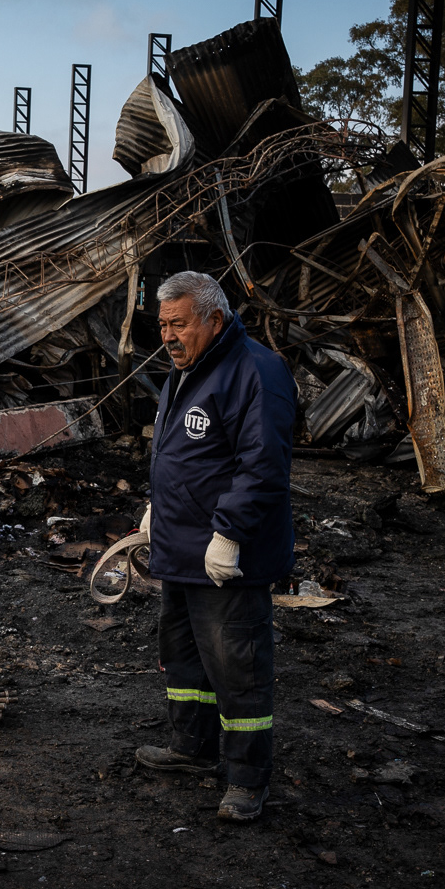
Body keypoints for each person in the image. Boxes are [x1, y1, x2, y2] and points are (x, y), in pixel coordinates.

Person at [132, 271, 296, 822]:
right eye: (163, 325)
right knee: (184, 658)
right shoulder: (187, 370)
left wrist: (228, 534)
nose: (168, 336)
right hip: (181, 549)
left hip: (226, 555)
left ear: (215, 319)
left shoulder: (256, 372)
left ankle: (247, 779)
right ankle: (192, 748)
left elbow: (263, 468)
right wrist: (157, 507)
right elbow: (181, 452)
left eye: (179, 324)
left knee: (237, 666)